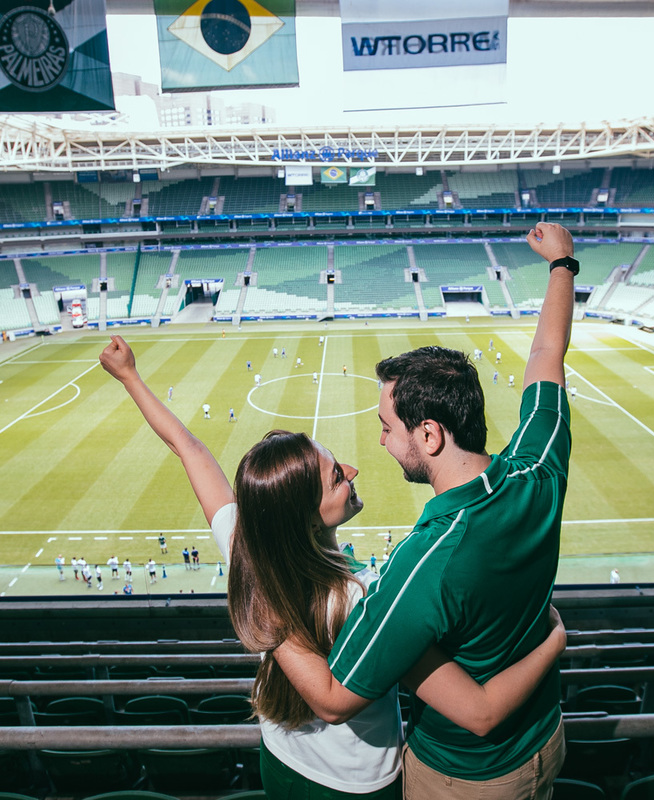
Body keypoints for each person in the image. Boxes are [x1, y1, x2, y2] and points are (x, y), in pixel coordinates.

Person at [100, 334, 567, 799]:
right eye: (337, 477)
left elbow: (189, 449)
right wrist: (553, 641)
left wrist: (130, 377)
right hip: (359, 783)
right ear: (307, 515)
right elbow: (474, 708)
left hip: (280, 762)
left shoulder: (251, 550)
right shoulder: (369, 594)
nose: (353, 470)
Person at [302, 222, 578, 799]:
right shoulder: (539, 469)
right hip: (547, 742)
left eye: (387, 426)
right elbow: (547, 354)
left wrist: (265, 611)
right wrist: (562, 265)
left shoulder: (425, 560)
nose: (380, 440)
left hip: (465, 777)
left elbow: (333, 699)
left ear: (428, 434)